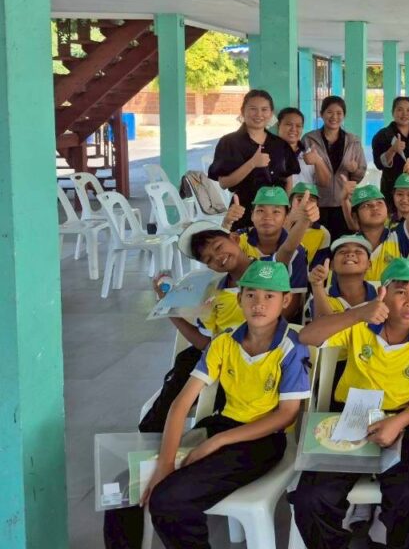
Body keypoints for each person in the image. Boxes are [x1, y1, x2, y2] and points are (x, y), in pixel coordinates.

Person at [103, 222, 255, 549]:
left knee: (166, 494)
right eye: (209, 258)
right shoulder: (214, 296)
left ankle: (154, 459)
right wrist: (169, 307)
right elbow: (204, 349)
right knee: (123, 484)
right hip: (209, 387)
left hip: (237, 419)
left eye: (219, 247)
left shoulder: (269, 278)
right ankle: (148, 456)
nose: (217, 258)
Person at [142, 260, 311, 548]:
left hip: (262, 440)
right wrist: (165, 464)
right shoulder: (223, 342)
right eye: (251, 294)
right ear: (239, 298)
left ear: (285, 301)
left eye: (269, 296)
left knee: (169, 499)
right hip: (219, 426)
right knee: (129, 485)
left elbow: (285, 416)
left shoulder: (290, 347)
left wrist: (217, 442)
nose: (259, 303)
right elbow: (181, 404)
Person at [293, 258, 409, 549]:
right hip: (351, 413)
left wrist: (397, 422)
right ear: (383, 293)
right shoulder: (360, 322)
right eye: (400, 292)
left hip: (403, 417)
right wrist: (358, 313)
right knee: (311, 498)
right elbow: (307, 336)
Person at [208, 89, 300, 229]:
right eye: (253, 109)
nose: (259, 114)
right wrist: (252, 163)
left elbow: (288, 180)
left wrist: (286, 210)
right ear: (243, 111)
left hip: (277, 215)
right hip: (243, 212)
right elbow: (224, 183)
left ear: (271, 113)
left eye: (264, 109)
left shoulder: (280, 144)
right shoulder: (229, 142)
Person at [301, 95, 368, 239]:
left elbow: (359, 174)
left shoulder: (353, 141)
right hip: (316, 204)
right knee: (318, 243)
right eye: (329, 112)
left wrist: (354, 170)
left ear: (344, 115)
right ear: (321, 114)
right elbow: (304, 172)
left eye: (339, 113)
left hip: (344, 204)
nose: (334, 117)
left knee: (342, 243)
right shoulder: (309, 139)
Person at [305, 235, 378, 320]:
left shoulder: (380, 293)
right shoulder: (320, 294)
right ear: (332, 265)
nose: (350, 254)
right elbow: (323, 326)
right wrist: (317, 286)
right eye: (342, 251)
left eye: (358, 251)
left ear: (369, 265)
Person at [277, 107, 317, 186]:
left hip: (305, 194)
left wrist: (318, 162)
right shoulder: (268, 152)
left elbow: (324, 182)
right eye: (289, 124)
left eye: (298, 126)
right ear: (278, 125)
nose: (293, 129)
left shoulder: (309, 153)